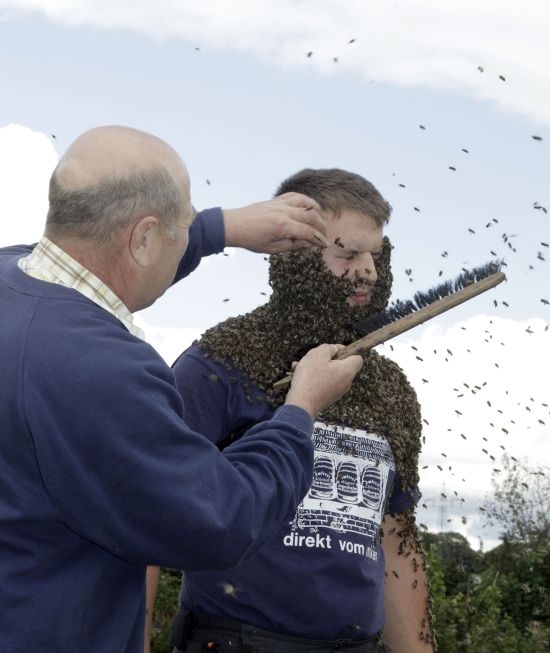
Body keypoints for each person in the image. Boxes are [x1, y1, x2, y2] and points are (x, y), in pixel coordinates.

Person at [0, 129, 364, 653]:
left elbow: (108, 265)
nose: (189, 231)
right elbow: (221, 521)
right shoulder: (101, 371)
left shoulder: (14, 277)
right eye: (185, 223)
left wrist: (221, 228)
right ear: (146, 237)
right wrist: (299, 411)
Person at [154, 168, 435, 653]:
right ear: (293, 254)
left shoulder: (389, 389)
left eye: (377, 255)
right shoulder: (217, 366)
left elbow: (396, 542)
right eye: (348, 254)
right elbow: (145, 517)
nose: (368, 271)